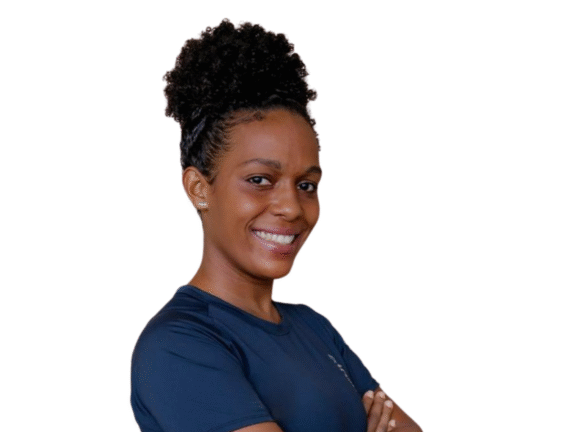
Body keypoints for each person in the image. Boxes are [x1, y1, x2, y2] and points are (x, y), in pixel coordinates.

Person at [130, 20, 422, 432]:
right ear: (199, 188)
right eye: (260, 180)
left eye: (306, 185)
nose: (291, 208)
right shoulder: (178, 345)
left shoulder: (314, 328)